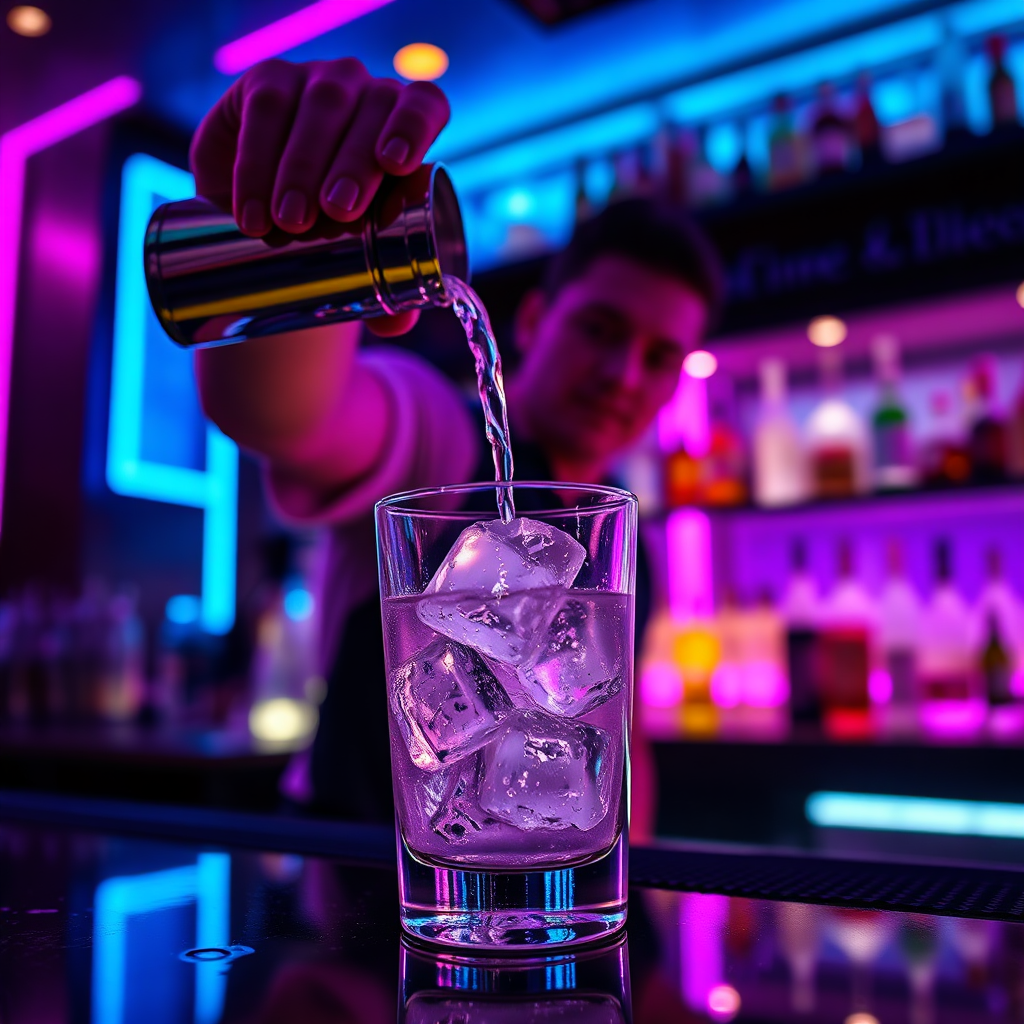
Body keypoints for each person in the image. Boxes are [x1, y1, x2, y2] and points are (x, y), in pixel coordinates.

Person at [192, 58, 722, 829]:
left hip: (544, 916)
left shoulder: (628, 547)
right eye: (599, 330)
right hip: (353, 890)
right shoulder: (440, 435)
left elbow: (616, 743)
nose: (622, 374)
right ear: (535, 321)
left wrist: (637, 910)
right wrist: (285, 240)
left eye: (658, 357)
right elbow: (286, 412)